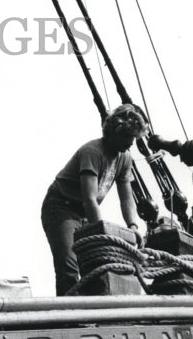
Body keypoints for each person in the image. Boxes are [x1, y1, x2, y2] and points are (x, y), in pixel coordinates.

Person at [41, 104, 147, 296]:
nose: (131, 143)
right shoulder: (92, 152)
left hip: (83, 211)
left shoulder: (125, 158)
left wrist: (132, 225)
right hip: (60, 207)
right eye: (128, 137)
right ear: (116, 132)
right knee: (69, 267)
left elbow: (126, 196)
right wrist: (102, 238)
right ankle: (71, 319)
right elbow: (90, 199)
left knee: (93, 268)